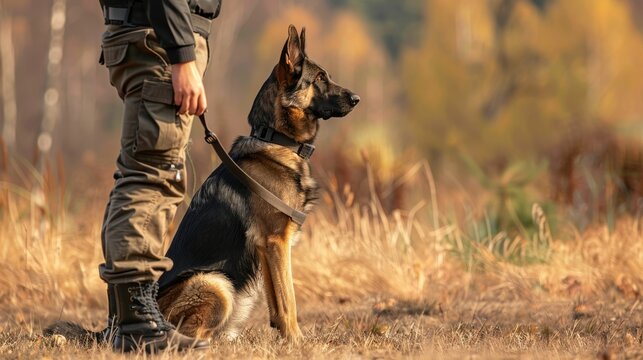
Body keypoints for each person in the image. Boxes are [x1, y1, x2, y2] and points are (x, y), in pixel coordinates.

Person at [97, 0, 221, 352]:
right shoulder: (172, 48)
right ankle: (137, 324)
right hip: (162, 39)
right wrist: (182, 55)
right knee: (151, 177)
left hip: (152, 33)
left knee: (141, 174)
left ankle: (124, 320)